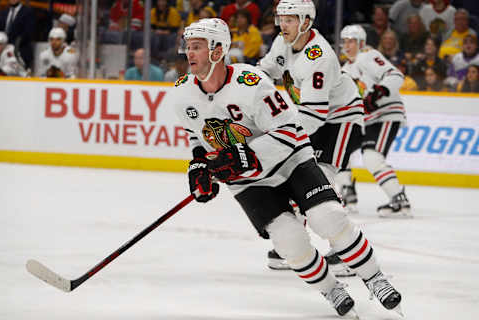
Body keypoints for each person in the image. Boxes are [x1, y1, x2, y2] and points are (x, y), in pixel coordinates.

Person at [169, 16, 402, 318]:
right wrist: (199, 165)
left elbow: (290, 130)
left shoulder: (250, 83)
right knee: (289, 243)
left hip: (291, 161)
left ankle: (375, 278)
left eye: (197, 47)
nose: (189, 54)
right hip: (249, 181)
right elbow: (196, 135)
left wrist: (245, 154)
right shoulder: (181, 92)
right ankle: (331, 289)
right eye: (188, 47)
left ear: (217, 51)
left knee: (328, 218)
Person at [258, 0, 365, 275]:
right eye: (281, 18)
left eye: (290, 19)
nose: (283, 25)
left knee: (322, 180)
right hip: (315, 118)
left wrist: (282, 137)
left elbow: (315, 116)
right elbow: (265, 72)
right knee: (296, 178)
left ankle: (346, 251)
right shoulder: (283, 43)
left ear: (306, 22)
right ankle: (295, 247)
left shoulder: (320, 57)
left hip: (341, 120)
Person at [341, 24, 412, 218]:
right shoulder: (346, 69)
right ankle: (347, 192)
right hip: (368, 119)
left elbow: (395, 75)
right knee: (338, 150)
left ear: (361, 43)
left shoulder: (368, 55)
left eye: (351, 41)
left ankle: (399, 199)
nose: (347, 45)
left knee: (372, 157)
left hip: (386, 113)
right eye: (344, 41)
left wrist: (379, 93)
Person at [0, 0, 35, 69]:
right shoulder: (4, 12)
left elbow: (28, 33)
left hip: (20, 52)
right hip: (2, 53)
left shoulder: (28, 12)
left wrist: (13, 45)